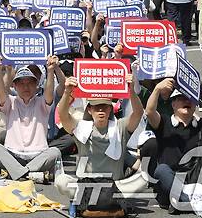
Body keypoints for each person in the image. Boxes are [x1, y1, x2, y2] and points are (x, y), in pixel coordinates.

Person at [54, 75, 148, 207]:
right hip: (86, 184)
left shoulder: (120, 127)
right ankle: (88, 198)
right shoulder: (81, 128)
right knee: (61, 181)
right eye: (96, 107)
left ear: (110, 109)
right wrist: (67, 91)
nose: (100, 110)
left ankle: (105, 199)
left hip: (114, 186)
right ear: (89, 110)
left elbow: (138, 113)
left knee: (143, 180)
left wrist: (131, 90)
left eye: (104, 107)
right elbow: (63, 114)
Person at [145, 79, 202, 213]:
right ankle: (194, 203)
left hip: (196, 184)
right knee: (161, 170)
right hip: (171, 183)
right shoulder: (164, 122)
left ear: (195, 105)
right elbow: (149, 112)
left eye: (190, 99)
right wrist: (157, 90)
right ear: (173, 104)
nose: (187, 101)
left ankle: (185, 203)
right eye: (181, 98)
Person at [0, 57, 62, 181]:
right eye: (21, 83)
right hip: (13, 155)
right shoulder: (11, 102)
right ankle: (28, 175)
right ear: (14, 86)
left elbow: (49, 92)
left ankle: (18, 173)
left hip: (38, 155)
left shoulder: (42, 103)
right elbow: (1, 93)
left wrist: (51, 70)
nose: (26, 87)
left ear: (37, 85)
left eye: (30, 83)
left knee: (55, 152)